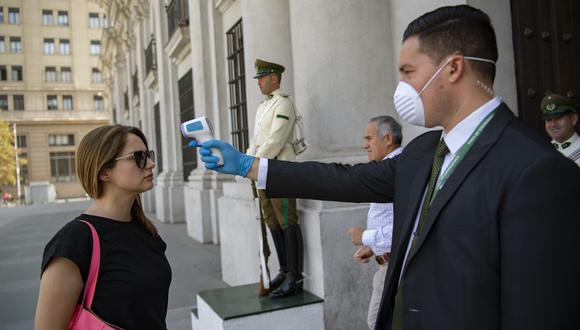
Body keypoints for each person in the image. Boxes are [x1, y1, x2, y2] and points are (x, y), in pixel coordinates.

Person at [192, 5, 580, 330]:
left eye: (408, 72)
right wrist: (248, 165)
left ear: (453, 68)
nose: (401, 88)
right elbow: (344, 178)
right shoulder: (424, 150)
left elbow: (537, 313)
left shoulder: (537, 171)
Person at [35, 125, 172, 330]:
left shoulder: (145, 230)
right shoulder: (74, 241)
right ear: (104, 171)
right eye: (138, 157)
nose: (151, 163)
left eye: (149, 155)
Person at [247, 59, 303, 299]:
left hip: (280, 170)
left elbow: (276, 140)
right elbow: (257, 140)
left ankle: (295, 276)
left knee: (287, 220)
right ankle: (283, 270)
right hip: (262, 171)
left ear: (274, 78)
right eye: (258, 78)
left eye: (262, 77)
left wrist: (254, 163)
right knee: (272, 221)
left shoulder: (284, 103)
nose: (259, 82)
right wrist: (247, 162)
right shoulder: (262, 107)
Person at [348, 116, 403, 329]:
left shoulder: (399, 169)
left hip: (397, 268)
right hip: (386, 265)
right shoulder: (386, 168)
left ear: (387, 138)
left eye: (369, 138)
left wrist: (365, 237)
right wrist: (373, 248)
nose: (365, 145)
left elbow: (407, 224)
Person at [541, 93, 580, 166]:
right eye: (548, 120)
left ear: (573, 119)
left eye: (558, 118)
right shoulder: (542, 150)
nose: (553, 124)